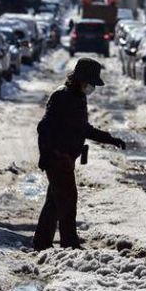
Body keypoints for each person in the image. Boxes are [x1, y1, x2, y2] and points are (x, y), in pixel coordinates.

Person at [33, 58, 126, 251]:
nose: (91, 87)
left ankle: (42, 242)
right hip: (58, 157)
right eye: (90, 82)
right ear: (80, 79)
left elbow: (84, 128)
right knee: (67, 200)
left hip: (67, 158)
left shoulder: (78, 97)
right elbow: (44, 127)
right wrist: (45, 154)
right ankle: (69, 243)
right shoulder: (62, 96)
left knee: (55, 202)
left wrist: (110, 139)